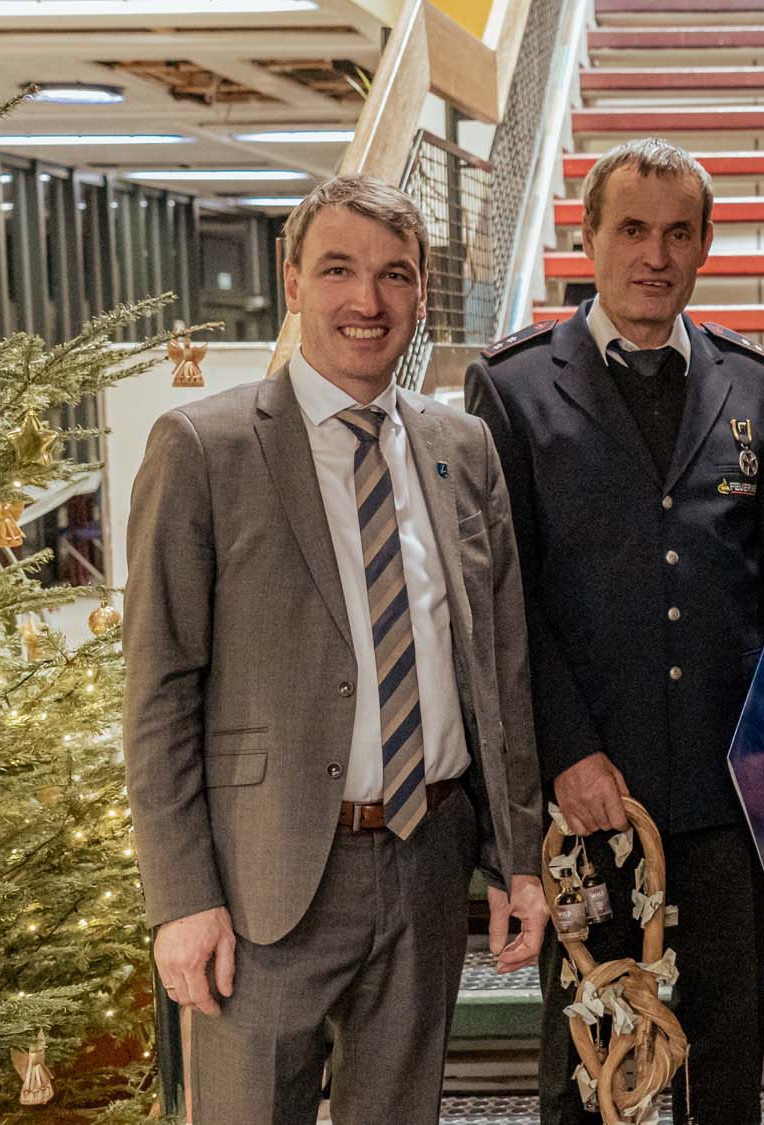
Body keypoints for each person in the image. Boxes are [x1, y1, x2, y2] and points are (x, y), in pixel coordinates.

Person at [123, 174, 548, 1124]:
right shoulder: (204, 447)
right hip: (263, 880)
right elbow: (158, 692)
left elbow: (499, 671)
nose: (369, 300)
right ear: (292, 281)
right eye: (338, 270)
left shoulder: (463, 447)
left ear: (422, 293)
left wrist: (517, 855)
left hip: (427, 855)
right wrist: (180, 897)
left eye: (395, 274)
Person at [463, 137, 764, 1125]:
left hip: (731, 782)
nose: (654, 256)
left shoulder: (756, 385)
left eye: (677, 233)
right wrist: (565, 750)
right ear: (589, 237)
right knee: (594, 1054)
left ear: (705, 244)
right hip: (593, 791)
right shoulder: (512, 388)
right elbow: (507, 597)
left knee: (724, 1050)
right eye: (631, 229)